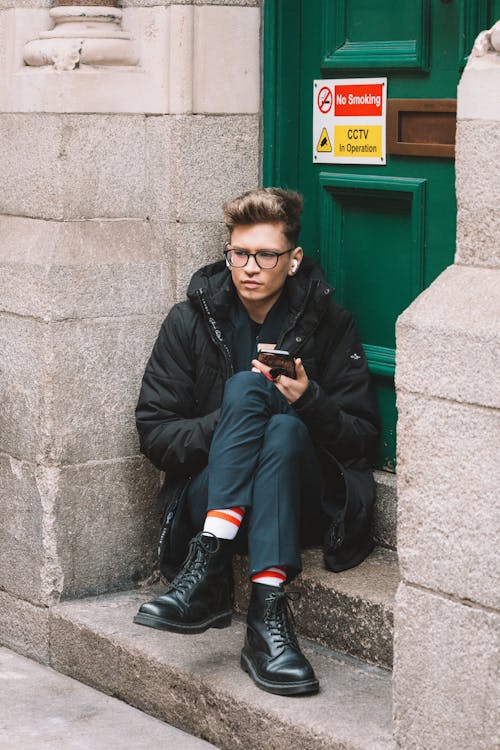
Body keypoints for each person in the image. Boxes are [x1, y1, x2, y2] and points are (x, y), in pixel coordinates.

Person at [134, 188, 379, 696]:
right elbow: (156, 434)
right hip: (207, 497)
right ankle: (267, 621)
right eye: (238, 253)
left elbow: (360, 442)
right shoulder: (189, 322)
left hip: (296, 500)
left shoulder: (330, 324)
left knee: (287, 426)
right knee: (252, 397)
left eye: (265, 255)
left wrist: (308, 397)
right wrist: (233, 423)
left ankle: (207, 571)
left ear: (292, 261)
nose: (248, 267)